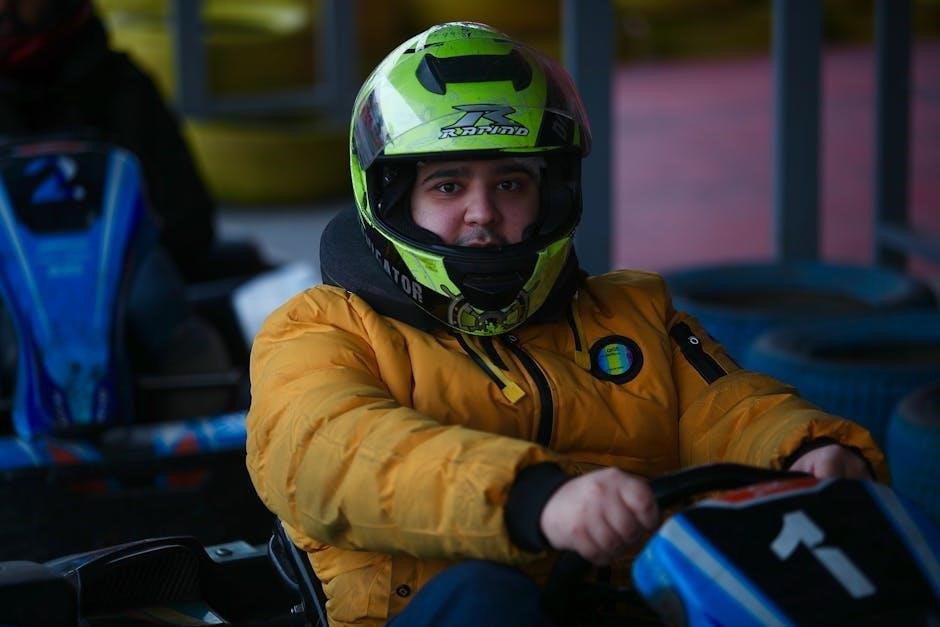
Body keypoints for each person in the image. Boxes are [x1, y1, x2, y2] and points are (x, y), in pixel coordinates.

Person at [246, 22, 886, 627]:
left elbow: (727, 407)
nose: (482, 213)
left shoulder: (631, 313)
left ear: (551, 193)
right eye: (447, 186)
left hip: (627, 602)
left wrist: (805, 449)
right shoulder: (321, 330)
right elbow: (331, 450)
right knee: (488, 596)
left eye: (509, 184)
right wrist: (531, 498)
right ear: (391, 199)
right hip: (442, 611)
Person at [0, 0, 232, 425]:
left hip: (117, 274)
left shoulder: (122, 87)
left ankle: (192, 426)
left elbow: (189, 220)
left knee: (158, 305)